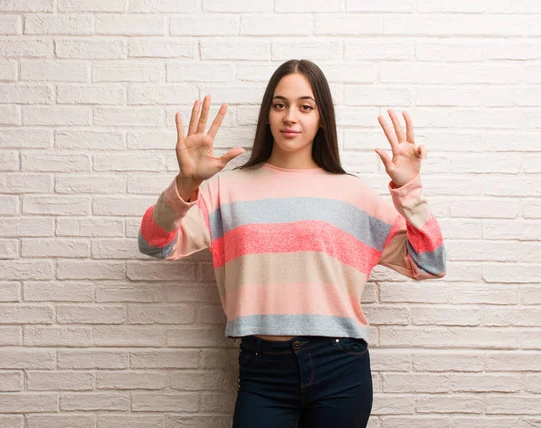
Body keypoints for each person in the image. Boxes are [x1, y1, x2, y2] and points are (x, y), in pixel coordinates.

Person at [138, 59, 446, 428]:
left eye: (305, 106)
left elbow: (429, 263)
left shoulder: (351, 194)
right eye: (280, 104)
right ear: (268, 113)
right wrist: (185, 184)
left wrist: (409, 190)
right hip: (262, 370)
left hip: (340, 367)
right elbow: (154, 243)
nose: (290, 116)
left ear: (322, 118)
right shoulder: (226, 189)